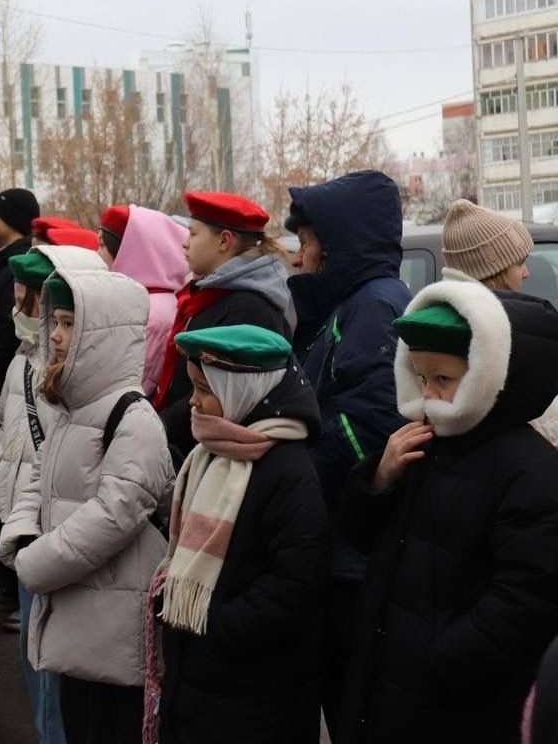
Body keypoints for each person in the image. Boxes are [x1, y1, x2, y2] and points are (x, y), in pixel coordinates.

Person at [337, 282, 558, 743]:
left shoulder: (532, 471)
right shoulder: (421, 441)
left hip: (457, 703)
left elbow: (527, 597)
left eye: (443, 379)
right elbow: (359, 537)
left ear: (488, 376)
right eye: (420, 378)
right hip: (387, 686)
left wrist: (439, 659)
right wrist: (379, 479)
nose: (429, 394)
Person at [0, 270, 173, 744]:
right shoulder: (67, 405)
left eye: (70, 324)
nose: (54, 334)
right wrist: (20, 534)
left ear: (102, 334)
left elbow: (116, 513)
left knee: (109, 728)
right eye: (54, 321)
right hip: (75, 607)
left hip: (112, 624)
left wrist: (36, 562)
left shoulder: (132, 417)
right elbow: (39, 479)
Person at [146, 325, 330, 744]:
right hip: (203, 682)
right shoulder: (211, 451)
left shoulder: (289, 472)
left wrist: (215, 624)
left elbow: (296, 583)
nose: (192, 401)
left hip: (254, 692)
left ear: (240, 392)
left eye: (203, 388)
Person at [283, 170, 411, 733]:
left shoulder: (374, 306)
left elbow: (371, 421)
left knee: (352, 708)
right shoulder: (348, 305)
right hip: (337, 541)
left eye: (306, 242)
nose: (297, 255)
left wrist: (295, 473)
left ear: (337, 245)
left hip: (353, 552)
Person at [0, 244, 105, 744]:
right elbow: (6, 436)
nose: (22, 310)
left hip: (56, 538)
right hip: (23, 527)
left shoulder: (76, 375)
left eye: (30, 299)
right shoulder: (23, 359)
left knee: (56, 671)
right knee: (33, 662)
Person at [154, 192, 290, 461]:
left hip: (218, 454)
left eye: (193, 234)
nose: (184, 243)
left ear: (224, 241)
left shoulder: (249, 308)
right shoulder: (212, 296)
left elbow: (220, 394)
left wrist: (159, 426)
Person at [438, 198, 558, 442]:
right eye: (520, 263)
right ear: (495, 267)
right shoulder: (509, 331)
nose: (527, 272)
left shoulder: (446, 320)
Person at [110, 206, 191, 399]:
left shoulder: (154, 311)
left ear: (126, 251)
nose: (97, 253)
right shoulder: (145, 299)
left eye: (102, 246)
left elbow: (136, 384)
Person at [0, 187, 41, 405]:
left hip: (5, 386)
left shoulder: (19, 268)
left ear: (12, 218)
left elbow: (8, 336)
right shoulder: (3, 264)